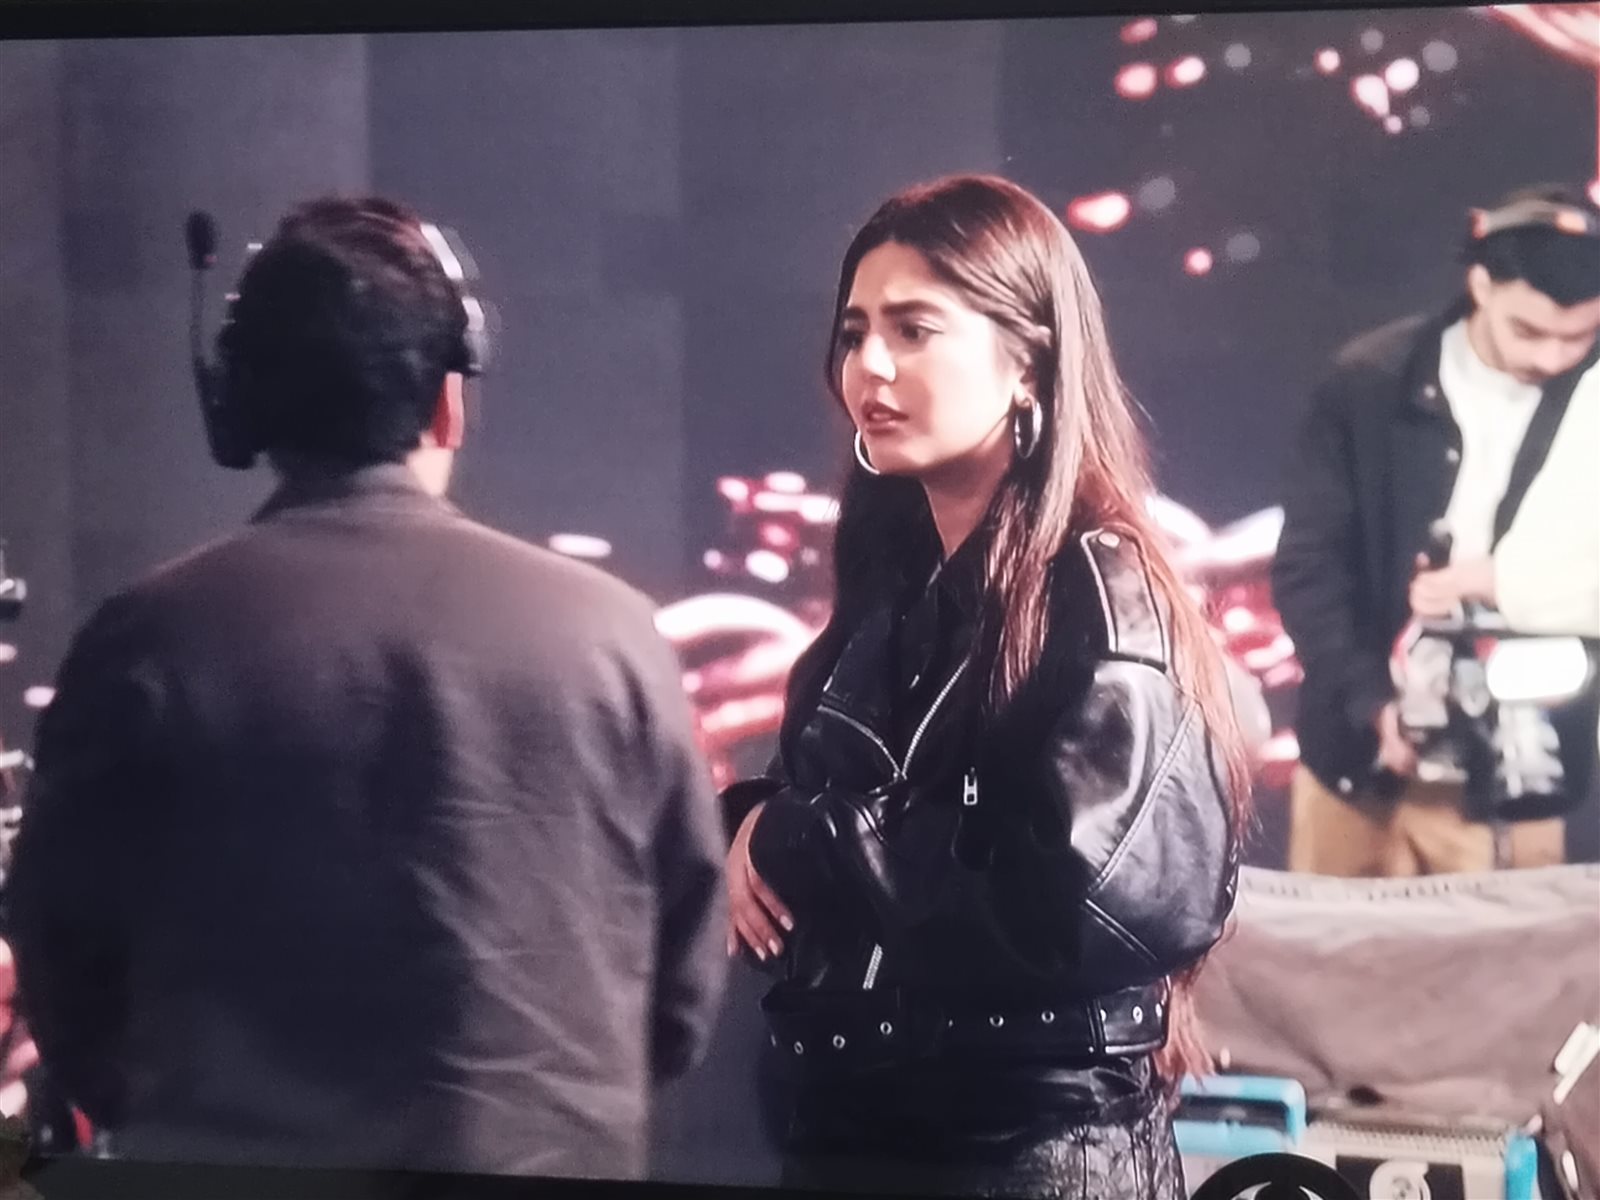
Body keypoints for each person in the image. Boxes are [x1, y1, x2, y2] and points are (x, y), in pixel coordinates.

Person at [5, 197, 727, 1179]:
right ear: (449, 401)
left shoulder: (141, 643)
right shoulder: (618, 636)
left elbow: (62, 962)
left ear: (240, 404)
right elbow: (679, 997)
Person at [720, 175, 1248, 1199]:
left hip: (1025, 1156)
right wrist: (749, 819)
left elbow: (1084, 901)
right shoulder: (894, 589)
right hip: (866, 1135)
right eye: (855, 333)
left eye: (915, 330)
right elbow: (831, 792)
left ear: (1027, 363)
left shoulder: (1100, 591)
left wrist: (799, 838)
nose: (870, 366)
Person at [1272, 184, 1600, 877]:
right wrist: (1369, 703)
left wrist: (1507, 585)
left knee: (1514, 949)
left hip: (1523, 775)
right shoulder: (1370, 383)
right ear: (1480, 284)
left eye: (1579, 338)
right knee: (1334, 945)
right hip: (1355, 764)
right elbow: (1311, 567)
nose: (1552, 358)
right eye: (1528, 332)